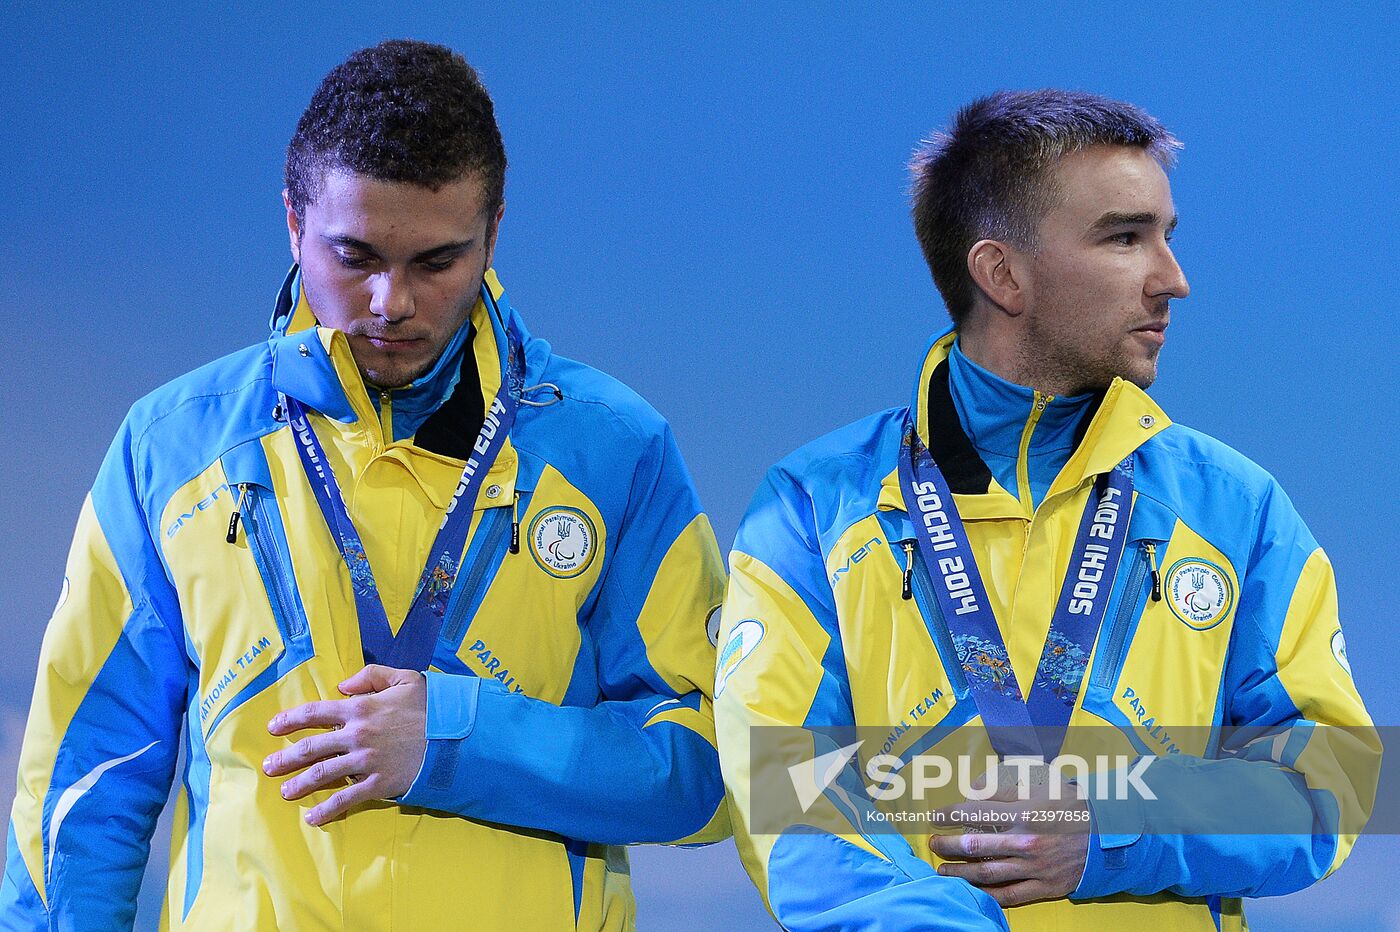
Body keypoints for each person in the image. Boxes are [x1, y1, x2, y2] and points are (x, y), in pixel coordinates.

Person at [1, 40, 728, 930]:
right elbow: (82, 789)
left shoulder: (615, 449)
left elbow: (715, 763)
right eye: (355, 257)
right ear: (293, 222)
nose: (391, 302)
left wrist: (458, 740)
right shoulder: (170, 448)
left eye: (437, 262)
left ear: (494, 232)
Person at [714, 89, 1377, 930]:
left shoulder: (1238, 506)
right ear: (1002, 275)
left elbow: (1328, 784)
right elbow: (781, 787)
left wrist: (1109, 828)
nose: (1173, 279)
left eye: (1167, 236)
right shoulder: (813, 504)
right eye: (1126, 237)